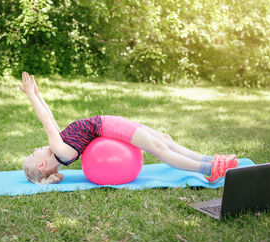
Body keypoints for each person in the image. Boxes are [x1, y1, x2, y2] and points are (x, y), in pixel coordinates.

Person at [19, 72, 238, 185]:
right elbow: (45, 118)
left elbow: (50, 114)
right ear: (41, 164)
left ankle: (208, 159)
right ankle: (207, 170)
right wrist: (30, 95)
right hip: (109, 127)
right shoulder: (59, 149)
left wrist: (37, 93)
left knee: (164, 138)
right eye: (32, 154)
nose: (35, 149)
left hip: (110, 123)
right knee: (159, 146)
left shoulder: (60, 146)